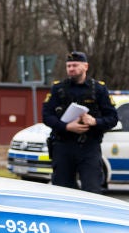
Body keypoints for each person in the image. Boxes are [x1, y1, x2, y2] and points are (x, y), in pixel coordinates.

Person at [41, 51, 118, 192]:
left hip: (89, 147)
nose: (71, 69)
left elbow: (112, 118)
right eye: (68, 66)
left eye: (75, 65)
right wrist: (67, 126)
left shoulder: (99, 89)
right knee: (62, 192)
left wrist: (95, 121)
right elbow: (46, 116)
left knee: (92, 190)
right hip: (63, 146)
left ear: (85, 67)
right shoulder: (58, 89)